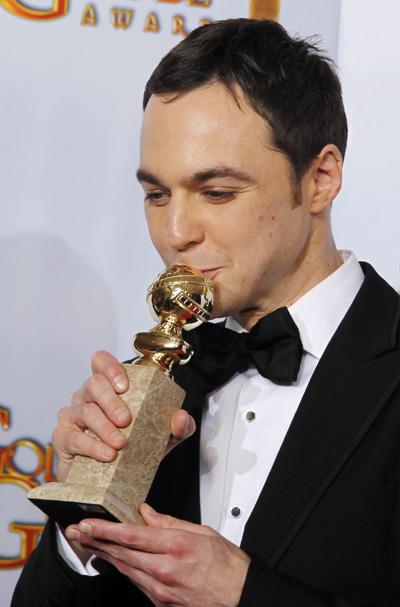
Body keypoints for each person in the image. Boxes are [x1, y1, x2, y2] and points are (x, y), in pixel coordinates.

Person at [12, 18, 400, 607]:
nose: (175, 233)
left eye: (217, 192)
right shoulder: (150, 391)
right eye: (157, 194)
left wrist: (243, 594)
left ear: (320, 178)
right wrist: (80, 529)